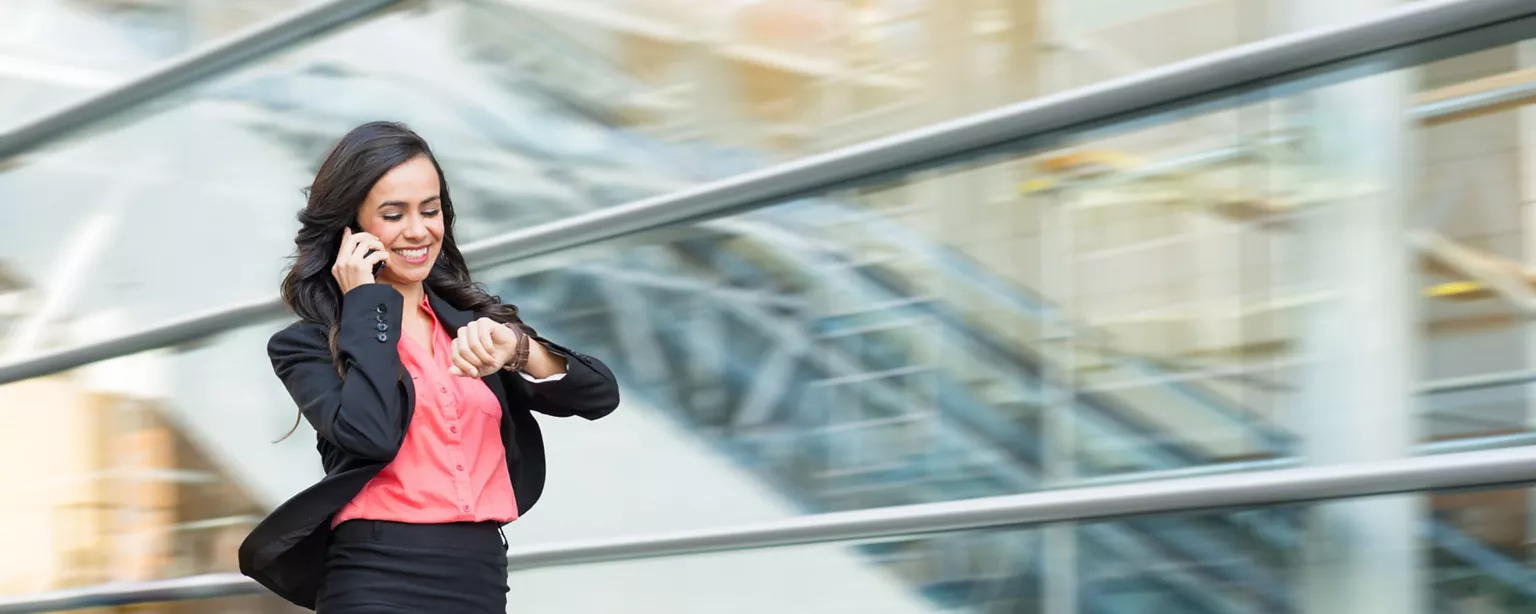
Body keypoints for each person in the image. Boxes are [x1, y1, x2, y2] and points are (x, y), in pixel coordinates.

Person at [238, 121, 621, 612]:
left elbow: (599, 397)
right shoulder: (306, 345)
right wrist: (366, 303)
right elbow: (371, 434)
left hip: (478, 573)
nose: (418, 231)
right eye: (393, 214)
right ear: (350, 229)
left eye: (431, 210)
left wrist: (519, 351)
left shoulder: (474, 325)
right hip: (374, 576)